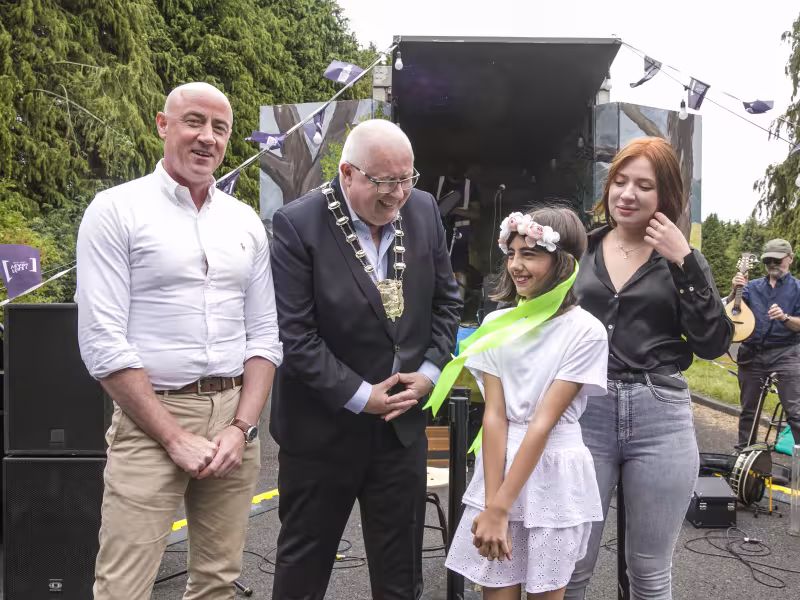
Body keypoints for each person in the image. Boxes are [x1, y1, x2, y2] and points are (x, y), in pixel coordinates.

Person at [75, 82, 283, 600]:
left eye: (220, 128)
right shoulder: (115, 210)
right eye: (194, 121)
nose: (207, 137)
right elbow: (103, 341)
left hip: (233, 418)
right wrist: (172, 436)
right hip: (151, 423)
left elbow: (264, 337)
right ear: (163, 125)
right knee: (123, 587)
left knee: (217, 582)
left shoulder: (244, 221)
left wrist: (242, 427)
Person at [269, 119, 462, 600]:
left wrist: (430, 375)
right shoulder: (298, 224)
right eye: (384, 181)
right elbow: (297, 336)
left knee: (401, 576)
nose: (398, 194)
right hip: (321, 432)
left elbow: (447, 304)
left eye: (407, 178)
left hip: (401, 430)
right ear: (347, 173)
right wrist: (361, 396)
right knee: (303, 570)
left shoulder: (423, 209)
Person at [567, 137, 733, 599]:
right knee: (572, 563)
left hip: (659, 415)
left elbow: (714, 341)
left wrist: (686, 263)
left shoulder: (682, 260)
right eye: (620, 181)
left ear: (665, 196)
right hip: (586, 412)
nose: (627, 193)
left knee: (649, 571)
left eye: (644, 185)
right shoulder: (582, 248)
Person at [444, 207, 609, 599]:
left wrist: (500, 509)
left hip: (554, 472)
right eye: (512, 253)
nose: (516, 265)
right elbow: (495, 417)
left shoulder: (586, 331)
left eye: (530, 254)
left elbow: (542, 424)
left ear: (563, 262)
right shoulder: (495, 325)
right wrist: (492, 507)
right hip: (498, 470)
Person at [729, 238, 800, 449]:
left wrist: (785, 318)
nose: (773, 264)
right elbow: (732, 312)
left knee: (795, 413)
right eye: (768, 260)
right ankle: (743, 460)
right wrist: (735, 290)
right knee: (748, 411)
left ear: (790, 258)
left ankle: (798, 468)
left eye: (778, 260)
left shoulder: (798, 288)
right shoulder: (751, 287)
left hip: (786, 354)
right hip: (752, 354)